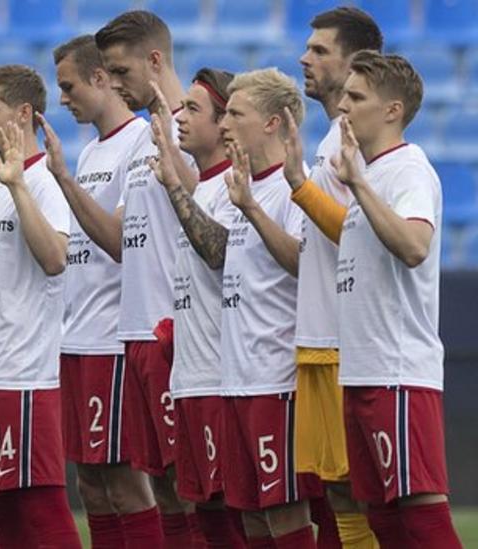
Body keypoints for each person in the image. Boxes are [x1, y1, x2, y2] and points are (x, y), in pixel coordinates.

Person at [331, 50, 462, 549]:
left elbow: (413, 246)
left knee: (420, 509)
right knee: (382, 515)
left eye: (357, 96)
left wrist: (359, 186)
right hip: (363, 370)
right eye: (345, 94)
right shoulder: (368, 173)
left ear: (392, 110)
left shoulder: (407, 169)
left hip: (398, 371)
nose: (344, 106)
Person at [38, 33, 151, 548]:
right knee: (91, 485)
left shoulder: (142, 142)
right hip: (77, 339)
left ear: (100, 78)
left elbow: (118, 241)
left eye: (68, 86)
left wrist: (63, 180)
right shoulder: (90, 153)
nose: (62, 98)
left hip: (114, 339)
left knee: (126, 483)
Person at [95, 10, 202, 546]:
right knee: (161, 486)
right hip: (134, 333)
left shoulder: (198, 126)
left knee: (191, 486)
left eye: (120, 72)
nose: (113, 85)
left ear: (155, 60)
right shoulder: (139, 139)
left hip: (176, 334)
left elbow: (212, 210)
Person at [0, 64, 80, 548]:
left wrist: (16, 187)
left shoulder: (40, 183)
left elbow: (55, 258)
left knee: (40, 508)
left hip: (24, 376)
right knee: (3, 511)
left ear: (25, 113)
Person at [286, 8, 386, 547]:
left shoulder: (358, 141)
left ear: (355, 63)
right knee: (339, 498)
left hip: (347, 344)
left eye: (320, 50)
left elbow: (358, 233)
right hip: (317, 338)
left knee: (364, 497)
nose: (305, 57)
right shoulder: (330, 136)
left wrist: (301, 186)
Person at [217, 68, 320, 547]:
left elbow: (306, 263)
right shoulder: (244, 187)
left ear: (274, 122)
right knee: (251, 515)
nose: (224, 125)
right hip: (237, 378)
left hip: (276, 380)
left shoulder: (295, 187)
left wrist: (253, 211)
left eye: (235, 114)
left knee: (284, 511)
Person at [149, 67, 251, 548]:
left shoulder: (238, 184)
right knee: (204, 511)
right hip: (190, 376)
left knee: (236, 512)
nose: (180, 118)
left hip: (222, 376)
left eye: (193, 109)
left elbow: (218, 252)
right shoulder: (204, 186)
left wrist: (173, 185)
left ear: (224, 121)